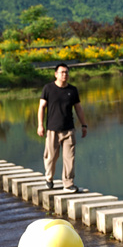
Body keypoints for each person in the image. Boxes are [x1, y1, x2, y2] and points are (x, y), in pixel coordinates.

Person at [37, 63, 88, 194]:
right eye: (62, 72)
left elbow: (78, 108)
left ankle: (68, 183)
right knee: (51, 157)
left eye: (66, 72)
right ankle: (49, 178)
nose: (65, 75)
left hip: (68, 129)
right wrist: (40, 125)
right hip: (52, 129)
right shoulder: (48, 88)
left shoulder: (72, 90)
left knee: (69, 158)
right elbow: (42, 107)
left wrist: (83, 124)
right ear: (56, 74)